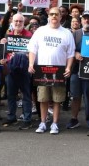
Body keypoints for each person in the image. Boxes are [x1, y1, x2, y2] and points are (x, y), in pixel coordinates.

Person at [27, 7, 75, 135]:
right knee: (42, 98)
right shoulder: (40, 31)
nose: (54, 16)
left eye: (57, 14)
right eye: (52, 14)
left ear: (60, 17)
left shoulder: (66, 33)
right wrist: (31, 64)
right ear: (48, 16)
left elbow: (70, 53)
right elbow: (32, 49)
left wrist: (68, 67)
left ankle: (54, 123)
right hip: (41, 70)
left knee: (57, 99)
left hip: (58, 71)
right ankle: (43, 122)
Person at [1, 13, 34, 129]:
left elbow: (32, 52)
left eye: (20, 21)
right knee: (11, 94)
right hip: (11, 68)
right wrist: (2, 45)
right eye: (16, 21)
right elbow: (3, 54)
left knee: (26, 94)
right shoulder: (8, 36)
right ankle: (11, 117)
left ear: (24, 23)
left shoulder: (29, 36)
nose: (18, 23)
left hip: (24, 69)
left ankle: (27, 118)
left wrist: (21, 54)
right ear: (12, 22)